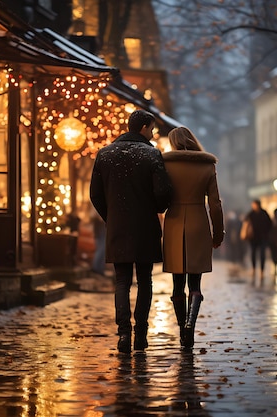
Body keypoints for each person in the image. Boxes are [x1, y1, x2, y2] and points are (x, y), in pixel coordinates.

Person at [90, 110, 173, 353]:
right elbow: (163, 193)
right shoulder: (152, 154)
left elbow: (95, 194)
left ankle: (124, 334)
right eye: (153, 129)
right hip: (146, 227)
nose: (154, 134)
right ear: (145, 127)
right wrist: (157, 208)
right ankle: (141, 334)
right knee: (145, 281)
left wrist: (111, 217)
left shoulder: (105, 154)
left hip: (118, 227)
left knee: (122, 281)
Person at [162, 127, 224, 350]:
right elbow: (215, 204)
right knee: (195, 283)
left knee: (177, 283)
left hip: (174, 222)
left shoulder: (165, 164)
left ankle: (181, 329)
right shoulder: (207, 165)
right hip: (199, 222)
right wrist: (218, 234)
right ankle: (190, 324)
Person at [246, 199, 272, 280]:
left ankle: (262, 270)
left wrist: (266, 233)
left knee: (262, 254)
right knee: (253, 254)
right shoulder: (251, 214)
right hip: (253, 238)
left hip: (262, 237)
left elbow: (270, 223)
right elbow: (246, 223)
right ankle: (254, 268)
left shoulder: (264, 213)